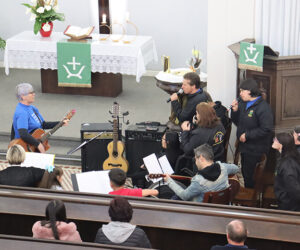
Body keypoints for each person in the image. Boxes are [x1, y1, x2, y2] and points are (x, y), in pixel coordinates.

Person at [231, 78, 273, 188]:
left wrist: (248, 135)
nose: (240, 94)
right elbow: (238, 122)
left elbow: (266, 128)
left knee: (250, 176)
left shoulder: (263, 108)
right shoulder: (243, 103)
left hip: (255, 149)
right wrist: (235, 111)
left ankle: (251, 197)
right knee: (245, 173)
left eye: (241, 91)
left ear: (249, 91)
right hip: (245, 147)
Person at [164, 144, 239, 202]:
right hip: (220, 207)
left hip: (201, 210)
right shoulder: (223, 167)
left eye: (196, 159)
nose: (195, 162)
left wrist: (169, 180)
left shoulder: (198, 181)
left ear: (201, 158)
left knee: (175, 197)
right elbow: (236, 168)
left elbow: (184, 196)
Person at [12, 83, 69, 153]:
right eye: (31, 93)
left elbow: (43, 124)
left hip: (33, 145)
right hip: (24, 149)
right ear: (23, 96)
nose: (34, 94)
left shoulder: (32, 108)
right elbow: (23, 134)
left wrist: (60, 123)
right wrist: (38, 144)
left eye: (33, 92)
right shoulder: (22, 112)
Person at [272, 132, 300, 211]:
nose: (273, 140)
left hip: (289, 206)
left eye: (275, 140)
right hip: (286, 202)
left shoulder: (288, 165)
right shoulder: (285, 158)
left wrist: (283, 197)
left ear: (281, 144)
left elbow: (294, 189)